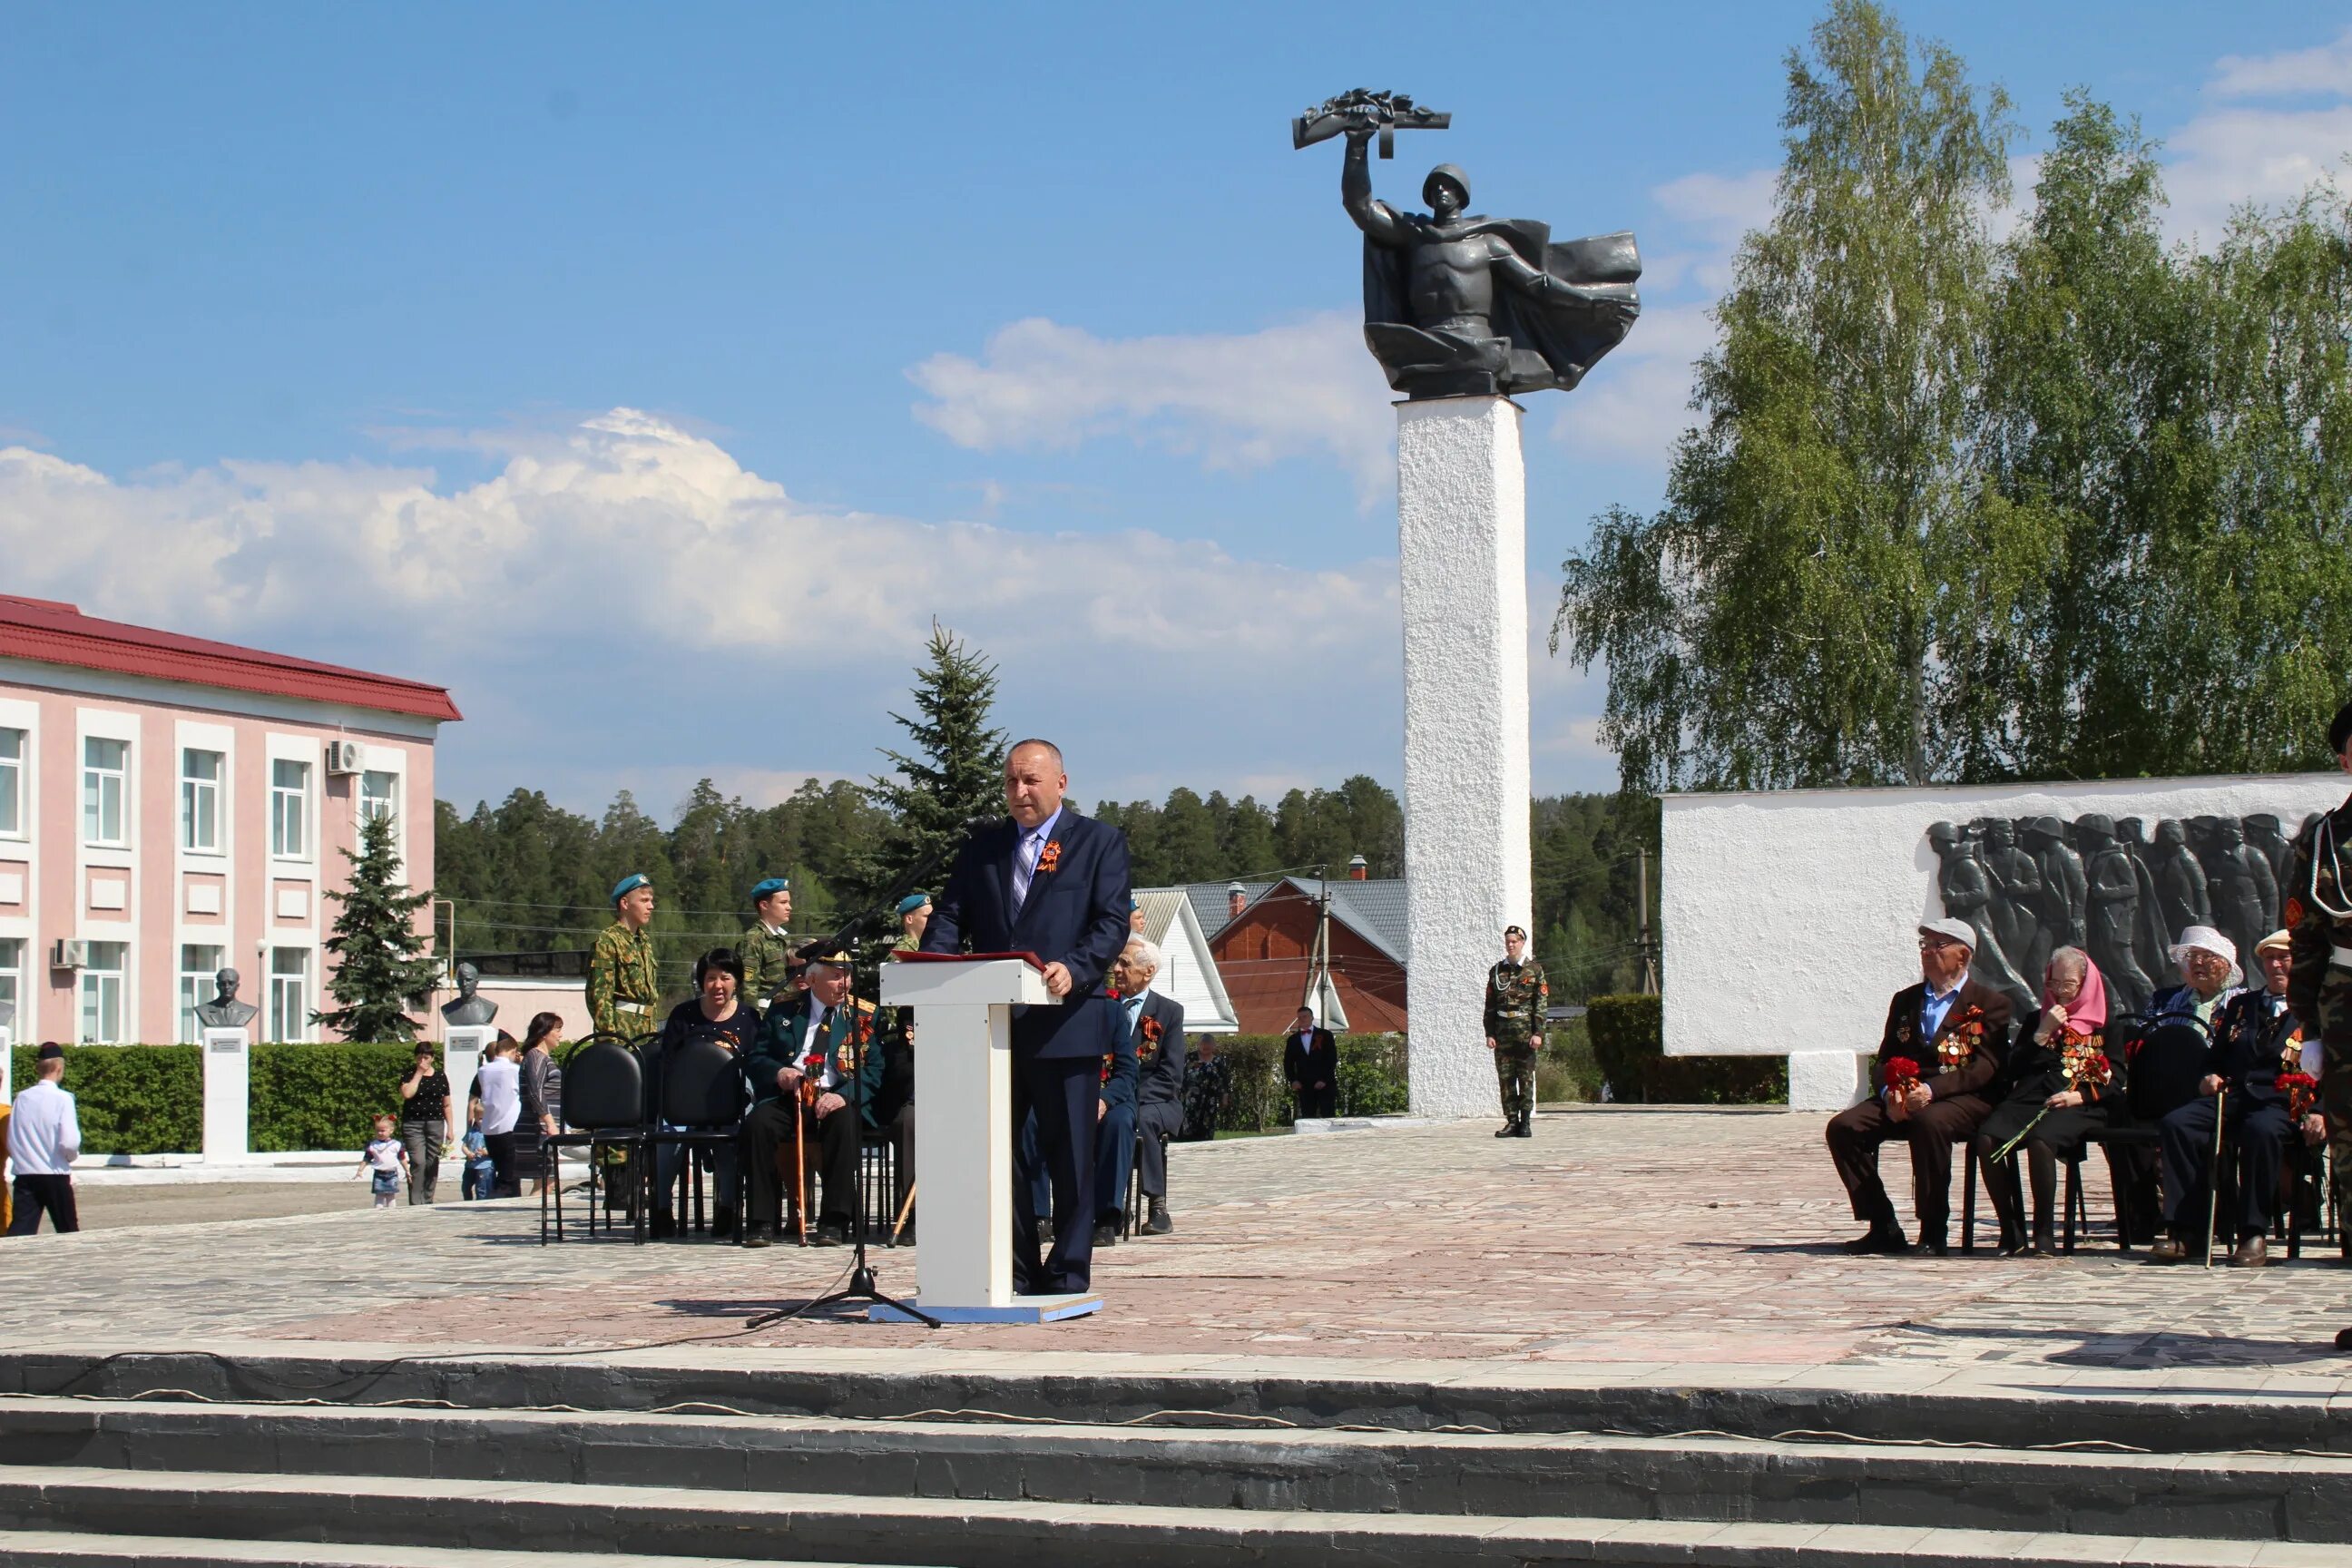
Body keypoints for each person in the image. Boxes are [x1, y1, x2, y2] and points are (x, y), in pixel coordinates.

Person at [921, 737, 1132, 1296]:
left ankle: (1066, 1272)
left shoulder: (1098, 843)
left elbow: (1111, 923)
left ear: (1061, 783)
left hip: (1065, 1023)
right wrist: (935, 970)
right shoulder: (982, 848)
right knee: (1001, 1158)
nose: (1020, 792)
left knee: (1070, 1161)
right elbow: (950, 915)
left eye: (1031, 780)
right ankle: (1012, 1268)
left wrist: (1076, 967)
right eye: (1012, 781)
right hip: (993, 1032)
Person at [1825, 917, 2014, 1256]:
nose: (1927, 952)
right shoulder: (1906, 1000)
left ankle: (1933, 1229)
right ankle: (1883, 1224)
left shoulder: (1989, 1003)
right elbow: (1885, 1059)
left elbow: (1986, 1067)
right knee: (1844, 1127)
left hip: (1961, 1097)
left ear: (1963, 956)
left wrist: (1932, 1092)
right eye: (1924, 945)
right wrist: (1890, 1094)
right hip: (1905, 1094)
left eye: (1938, 945)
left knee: (1930, 1122)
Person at [2151, 928, 2315, 1267]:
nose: (2277, 966)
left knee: (2261, 1132)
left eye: (2284, 958)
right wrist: (2207, 1076)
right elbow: (2215, 1058)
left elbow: (2338, 1066)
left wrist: (2323, 1111)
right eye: (2270, 959)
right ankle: (2187, 1231)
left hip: (2282, 1100)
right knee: (2178, 1124)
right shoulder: (2243, 1005)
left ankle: (2252, 1233)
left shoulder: (2314, 1010)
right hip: (2235, 1096)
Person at [1972, 947, 2120, 1257]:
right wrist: (2042, 1033)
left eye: (2068, 985)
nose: (2061, 992)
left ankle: (2043, 1233)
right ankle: (2010, 1229)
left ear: (2085, 982)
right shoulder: (2036, 1019)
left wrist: (2079, 1095)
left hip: (2079, 1101)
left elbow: (2116, 1077)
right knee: (1986, 1140)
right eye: (2054, 985)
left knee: (2041, 1141)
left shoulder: (2106, 1024)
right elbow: (2012, 1068)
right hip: (2030, 1097)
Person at [2287, 703, 2352, 1354]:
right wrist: (2307, 1027)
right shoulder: (2324, 840)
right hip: (2345, 1005)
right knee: (2350, 1154)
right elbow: (2306, 937)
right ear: (2343, 758)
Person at [741, 948, 872, 1247]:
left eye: (847, 976)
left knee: (845, 1124)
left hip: (835, 1095)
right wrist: (779, 1074)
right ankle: (762, 1221)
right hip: (792, 1093)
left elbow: (874, 1068)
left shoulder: (862, 1014)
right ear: (812, 979)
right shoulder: (784, 1009)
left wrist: (844, 1095)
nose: (845, 984)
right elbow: (757, 1057)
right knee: (757, 1125)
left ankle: (834, 1222)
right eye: (836, 977)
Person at [650, 949, 758, 1240]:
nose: (718, 985)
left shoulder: (749, 1018)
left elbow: (756, 1065)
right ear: (701, 981)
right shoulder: (683, 1015)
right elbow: (669, 1064)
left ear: (736, 981)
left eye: (725, 978)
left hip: (730, 1105)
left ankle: (728, 1208)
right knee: (667, 1136)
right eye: (711, 978)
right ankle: (660, 1209)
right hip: (685, 1104)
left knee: (731, 1140)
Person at [1106, 936, 1187, 1236]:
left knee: (1140, 1120)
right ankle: (1109, 1207)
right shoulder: (1106, 1007)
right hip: (1112, 1097)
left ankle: (1158, 1206)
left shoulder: (1168, 1012)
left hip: (1157, 1100)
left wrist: (1127, 1098)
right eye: (1116, 962)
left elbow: (1171, 1075)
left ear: (1148, 971)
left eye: (1124, 964)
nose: (1116, 969)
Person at [1088, 938, 1154, 1247]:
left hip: (1110, 1098)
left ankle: (1106, 1217)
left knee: (1117, 1124)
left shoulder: (1112, 1012)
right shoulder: (1056, 1011)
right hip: (1070, 1096)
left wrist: (1104, 1100)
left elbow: (1127, 1071)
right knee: (1033, 1122)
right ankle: (1040, 1217)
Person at [6, 1044, 81, 1235]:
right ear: (59, 1067)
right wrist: (70, 1157)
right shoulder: (63, 1098)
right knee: (68, 1230)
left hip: (26, 1174)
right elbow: (70, 1141)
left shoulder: (22, 1097)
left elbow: (12, 1137)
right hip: (54, 1172)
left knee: (21, 1231)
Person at [1484, 925, 1548, 1138]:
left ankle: (1526, 1122)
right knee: (1506, 1080)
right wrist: (1490, 1033)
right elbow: (1490, 1005)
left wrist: (1538, 1033)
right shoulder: (1496, 971)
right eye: (1508, 941)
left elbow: (1540, 1004)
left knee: (1525, 1078)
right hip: (1503, 1033)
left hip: (1525, 1034)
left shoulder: (1534, 970)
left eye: (1515, 941)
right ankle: (1512, 1121)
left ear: (1522, 943)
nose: (1511, 945)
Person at [588, 873, 662, 1040]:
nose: (651, 906)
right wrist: (609, 1040)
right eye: (644, 900)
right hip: (621, 1033)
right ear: (625, 903)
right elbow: (600, 996)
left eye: (651, 900)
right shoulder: (608, 940)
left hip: (647, 1032)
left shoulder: (644, 941)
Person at [395, 1045, 452, 1206]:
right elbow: (407, 1094)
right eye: (419, 1057)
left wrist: (451, 1128)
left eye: (426, 1058)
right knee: (418, 1161)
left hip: (435, 1123)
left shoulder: (440, 1076)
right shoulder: (408, 1074)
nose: (422, 1061)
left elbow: (446, 1104)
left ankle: (428, 1199)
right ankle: (415, 1200)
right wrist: (419, 1073)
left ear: (432, 1058)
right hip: (413, 1124)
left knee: (432, 1161)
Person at [516, 1012, 564, 1198]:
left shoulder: (540, 1057)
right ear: (544, 1032)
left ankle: (536, 1214)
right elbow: (536, 1092)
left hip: (542, 1127)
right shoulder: (536, 1057)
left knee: (547, 1181)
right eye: (558, 1030)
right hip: (537, 1128)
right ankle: (534, 1216)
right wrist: (549, 1122)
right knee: (544, 1182)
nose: (561, 1035)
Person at [475, 1037, 523, 1198]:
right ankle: (501, 1202)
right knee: (510, 1176)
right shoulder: (514, 1070)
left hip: (490, 1127)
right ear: (513, 1051)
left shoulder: (483, 1070)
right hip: (510, 1125)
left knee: (501, 1170)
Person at [740, 878, 795, 1015]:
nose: (789, 907)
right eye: (783, 902)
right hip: (765, 1014)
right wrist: (753, 1019)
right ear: (764, 905)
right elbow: (748, 987)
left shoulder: (783, 937)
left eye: (788, 902)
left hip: (785, 1011)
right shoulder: (754, 939)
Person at [1282, 1007, 1338, 1121]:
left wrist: (1323, 1079)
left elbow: (1331, 1059)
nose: (1302, 1019)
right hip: (1304, 1085)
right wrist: (1293, 1080)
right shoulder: (1293, 1040)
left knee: (1328, 1115)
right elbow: (1288, 1062)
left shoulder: (1325, 1035)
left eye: (1305, 1016)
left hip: (1325, 1083)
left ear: (1312, 1018)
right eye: (1300, 1017)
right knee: (1308, 1118)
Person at [1180, 1034, 1231, 1142]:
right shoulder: (1190, 1058)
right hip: (1190, 1100)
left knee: (1207, 1129)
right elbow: (1180, 1075)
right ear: (1199, 1045)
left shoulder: (1218, 1062)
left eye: (1208, 1046)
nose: (1205, 1048)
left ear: (1213, 1047)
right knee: (1188, 1127)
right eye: (1203, 1045)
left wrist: (1224, 1097)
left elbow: (1224, 1081)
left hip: (1209, 1100)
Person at [357, 1114, 408, 1210]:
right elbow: (366, 1158)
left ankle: (391, 1212)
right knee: (379, 1195)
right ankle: (378, 1212)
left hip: (392, 1173)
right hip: (378, 1174)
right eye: (377, 1131)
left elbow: (402, 1158)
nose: (380, 1133)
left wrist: (407, 1171)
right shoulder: (373, 1145)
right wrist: (360, 1170)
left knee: (391, 1195)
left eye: (383, 1131)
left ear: (391, 1130)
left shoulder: (396, 1145)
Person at [458, 1103, 495, 1200]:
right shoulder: (471, 1131)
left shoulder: (491, 1133)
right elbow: (464, 1146)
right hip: (471, 1164)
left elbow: (495, 1148)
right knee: (466, 1186)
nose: (483, 1122)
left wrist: (485, 1151)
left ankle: (481, 1205)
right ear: (475, 1117)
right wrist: (468, 1153)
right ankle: (467, 1202)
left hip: (484, 1165)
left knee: (482, 1189)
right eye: (481, 1119)